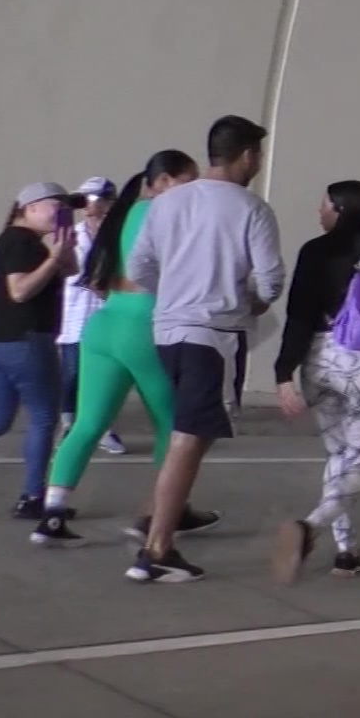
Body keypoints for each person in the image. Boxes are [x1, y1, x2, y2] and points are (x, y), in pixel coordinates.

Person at [125, 116, 286, 583]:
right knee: (190, 437)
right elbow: (272, 279)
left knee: (191, 430)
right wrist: (251, 302)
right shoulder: (252, 209)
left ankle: (156, 514)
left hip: (168, 332)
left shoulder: (167, 202)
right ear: (249, 155)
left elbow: (140, 266)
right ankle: (157, 548)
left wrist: (175, 295)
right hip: (213, 335)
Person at [32, 153, 209, 547]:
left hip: (104, 323)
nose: (194, 188)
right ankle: (164, 513)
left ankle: (53, 514)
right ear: (162, 180)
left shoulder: (121, 215)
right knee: (172, 424)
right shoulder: (167, 215)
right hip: (145, 325)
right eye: (188, 179)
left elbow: (97, 276)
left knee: (87, 423)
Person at [269, 180, 360, 583]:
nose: (319, 214)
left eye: (323, 206)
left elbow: (298, 315)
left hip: (319, 359)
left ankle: (347, 550)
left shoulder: (316, 251)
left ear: (339, 207)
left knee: (339, 454)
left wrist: (284, 373)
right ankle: (311, 527)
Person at [0, 183, 78, 517]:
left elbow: (73, 271)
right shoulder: (20, 241)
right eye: (54, 206)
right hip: (24, 343)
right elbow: (20, 291)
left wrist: (63, 249)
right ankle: (33, 497)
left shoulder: (28, 242)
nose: (61, 212)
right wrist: (53, 260)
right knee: (44, 419)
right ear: (28, 207)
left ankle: (34, 495)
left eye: (65, 208)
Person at [56, 177, 125, 456]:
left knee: (103, 377)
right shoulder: (72, 234)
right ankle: (69, 426)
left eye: (91, 199)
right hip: (75, 317)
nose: (86, 205)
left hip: (108, 317)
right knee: (72, 375)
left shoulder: (119, 234)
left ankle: (103, 428)